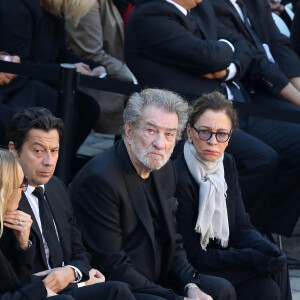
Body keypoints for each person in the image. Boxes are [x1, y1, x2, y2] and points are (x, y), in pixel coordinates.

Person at [124, 0, 300, 236]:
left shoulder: (201, 9)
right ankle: (230, 237)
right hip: (191, 121)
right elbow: (210, 56)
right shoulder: (152, 15)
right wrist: (223, 52)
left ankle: (263, 231)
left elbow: (242, 47)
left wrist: (228, 68)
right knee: (261, 159)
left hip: (231, 107)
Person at [70, 88, 236, 300]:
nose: (160, 144)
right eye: (151, 131)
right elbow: (112, 266)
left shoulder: (164, 168)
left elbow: (173, 242)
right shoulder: (100, 181)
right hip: (120, 287)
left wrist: (190, 285)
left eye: (169, 134)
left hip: (158, 278)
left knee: (220, 289)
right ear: (129, 131)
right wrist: (175, 298)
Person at [7, 107, 136, 300]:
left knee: (119, 291)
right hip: (32, 293)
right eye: (38, 151)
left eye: (54, 151)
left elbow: (80, 253)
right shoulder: (6, 196)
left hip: (69, 288)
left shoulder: (57, 187)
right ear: (14, 150)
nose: (49, 161)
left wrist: (72, 272)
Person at [174, 92, 292, 300]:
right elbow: (193, 254)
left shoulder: (226, 164)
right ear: (190, 132)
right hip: (188, 266)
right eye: (205, 132)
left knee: (271, 276)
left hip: (218, 257)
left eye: (221, 134)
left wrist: (267, 249)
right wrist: (250, 258)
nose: (213, 141)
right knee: (263, 275)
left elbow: (240, 224)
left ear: (229, 137)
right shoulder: (179, 175)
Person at [210, 0, 300, 236]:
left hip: (255, 92)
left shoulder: (255, 2)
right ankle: (256, 231)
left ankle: (270, 230)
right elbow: (256, 61)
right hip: (241, 95)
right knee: (273, 153)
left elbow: (278, 45)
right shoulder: (212, 5)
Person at [0, 0, 106, 152]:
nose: (66, 12)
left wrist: (93, 66)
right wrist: (65, 70)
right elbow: (21, 68)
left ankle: (63, 165)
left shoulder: (55, 13)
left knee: (89, 108)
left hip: (36, 79)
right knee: (70, 113)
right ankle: (54, 164)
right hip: (16, 86)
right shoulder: (17, 8)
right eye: (66, 7)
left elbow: (59, 54)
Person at [0, 149, 74, 299]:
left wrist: (23, 245)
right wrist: (42, 290)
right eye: (21, 185)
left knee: (116, 290)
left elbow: (20, 282)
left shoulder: (9, 223)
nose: (23, 191)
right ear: (4, 190)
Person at [65, 0, 136, 135]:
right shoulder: (87, 4)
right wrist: (133, 76)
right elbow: (91, 53)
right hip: (103, 81)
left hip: (124, 72)